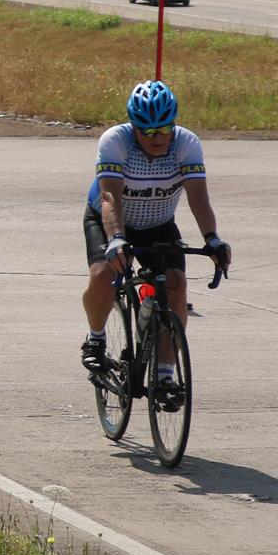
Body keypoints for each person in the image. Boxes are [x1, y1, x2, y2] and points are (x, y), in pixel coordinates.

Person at [79, 80, 231, 387]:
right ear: (133, 126)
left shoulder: (186, 143)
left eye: (164, 129)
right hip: (109, 219)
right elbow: (110, 199)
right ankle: (95, 340)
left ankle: (164, 376)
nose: (157, 137)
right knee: (103, 275)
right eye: (147, 131)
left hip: (158, 225)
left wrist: (212, 238)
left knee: (175, 284)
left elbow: (199, 199)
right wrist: (117, 238)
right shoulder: (115, 141)